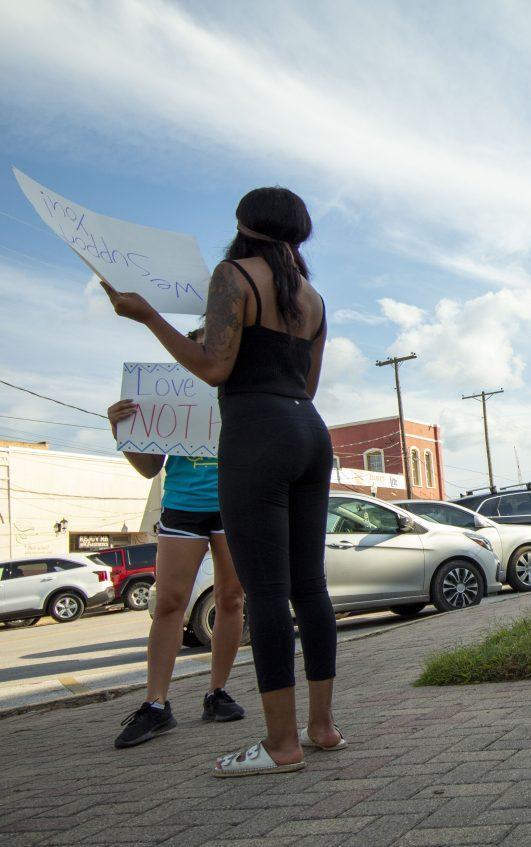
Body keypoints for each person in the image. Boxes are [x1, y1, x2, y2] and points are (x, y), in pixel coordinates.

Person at [101, 187, 343, 775]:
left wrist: (147, 315)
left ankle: (281, 746)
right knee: (309, 586)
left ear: (242, 224)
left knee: (264, 591)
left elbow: (214, 365)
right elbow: (307, 388)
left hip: (256, 431)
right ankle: (322, 728)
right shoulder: (311, 297)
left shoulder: (233, 275)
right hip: (310, 431)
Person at [108, 328, 247, 749]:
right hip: (182, 507)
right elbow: (150, 467)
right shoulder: (170, 396)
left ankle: (216, 692)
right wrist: (123, 431)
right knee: (169, 602)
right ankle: (156, 705)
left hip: (232, 503)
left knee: (231, 598)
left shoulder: (241, 391)